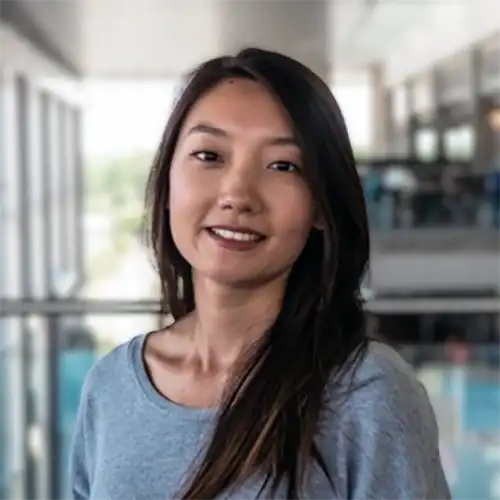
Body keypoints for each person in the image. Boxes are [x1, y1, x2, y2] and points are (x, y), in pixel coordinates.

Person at [70, 48, 451, 499]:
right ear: (168, 182)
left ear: (321, 209)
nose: (237, 193)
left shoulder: (368, 394)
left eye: (283, 165)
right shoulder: (111, 387)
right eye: (209, 155)